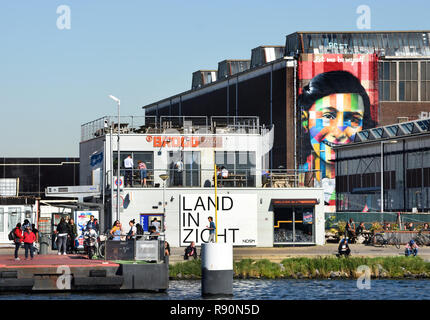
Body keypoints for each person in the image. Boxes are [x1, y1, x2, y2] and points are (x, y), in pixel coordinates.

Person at [298, 71, 376, 205]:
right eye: (328, 116)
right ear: (305, 120)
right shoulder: (294, 183)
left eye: (353, 119)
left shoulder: (367, 184)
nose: (339, 132)